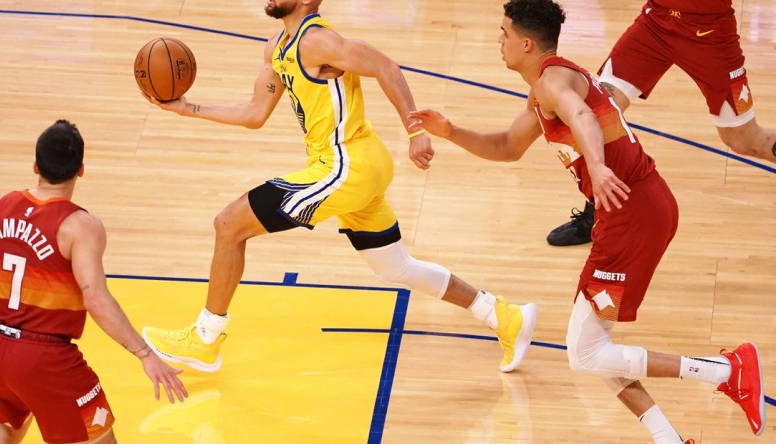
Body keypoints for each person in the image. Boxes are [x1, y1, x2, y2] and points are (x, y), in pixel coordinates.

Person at [409, 1, 765, 442]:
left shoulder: (555, 81)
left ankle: (728, 370)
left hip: (633, 214)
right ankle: (670, 438)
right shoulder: (543, 87)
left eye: (503, 33)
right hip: (632, 212)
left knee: (585, 353)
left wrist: (597, 167)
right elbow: (507, 146)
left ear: (525, 43)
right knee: (595, 348)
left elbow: (581, 117)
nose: (497, 41)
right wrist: (451, 132)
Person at [139, 0, 537, 375]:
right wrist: (186, 108)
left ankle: (206, 337)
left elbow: (385, 66)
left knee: (229, 224)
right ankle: (502, 315)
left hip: (347, 164)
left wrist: (415, 130)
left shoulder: (317, 41)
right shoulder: (278, 45)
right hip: (356, 165)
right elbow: (254, 113)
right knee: (397, 267)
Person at [0, 120, 188, 444]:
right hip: (43, 356)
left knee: (10, 428)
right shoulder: (79, 226)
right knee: (99, 439)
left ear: (35, 166)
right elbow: (96, 299)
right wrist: (145, 353)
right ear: (81, 170)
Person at [547, 0, 776, 247]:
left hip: (711, 33)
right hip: (656, 22)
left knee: (744, 140)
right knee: (599, 113)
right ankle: (596, 212)